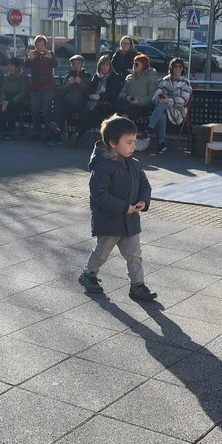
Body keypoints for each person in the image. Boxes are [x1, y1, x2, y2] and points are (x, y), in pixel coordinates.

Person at [77, 114, 157, 303]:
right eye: (129, 142)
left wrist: (143, 201)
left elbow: (144, 185)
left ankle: (137, 285)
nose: (133, 146)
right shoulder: (102, 167)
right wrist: (123, 207)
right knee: (102, 252)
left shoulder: (134, 164)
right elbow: (99, 194)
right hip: (109, 221)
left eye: (134, 141)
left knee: (134, 255)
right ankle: (88, 274)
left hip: (130, 220)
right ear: (113, 143)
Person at [146, 58, 192, 156]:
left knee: (161, 107)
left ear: (183, 69)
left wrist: (169, 101)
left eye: (180, 67)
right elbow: (155, 95)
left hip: (178, 110)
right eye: (175, 67)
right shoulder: (165, 80)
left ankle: (149, 130)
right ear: (172, 68)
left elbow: (184, 100)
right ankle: (161, 144)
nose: (177, 69)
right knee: (161, 113)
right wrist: (159, 99)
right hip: (164, 108)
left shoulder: (186, 82)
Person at [23, 36, 58, 142]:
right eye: (37, 45)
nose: (39, 47)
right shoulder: (33, 54)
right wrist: (30, 58)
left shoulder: (49, 53)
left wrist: (50, 58)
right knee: (35, 110)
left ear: (45, 45)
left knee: (47, 109)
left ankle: (48, 132)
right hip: (36, 87)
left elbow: (56, 64)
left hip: (48, 87)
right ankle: (37, 132)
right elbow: (25, 65)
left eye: (41, 45)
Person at [84, 54, 122, 135]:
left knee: (100, 110)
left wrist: (100, 96)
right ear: (99, 66)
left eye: (106, 65)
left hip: (109, 103)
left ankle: (79, 132)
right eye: (102, 65)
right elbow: (90, 88)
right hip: (94, 101)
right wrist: (90, 95)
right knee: (85, 109)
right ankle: (78, 133)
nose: (104, 67)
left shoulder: (114, 77)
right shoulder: (96, 76)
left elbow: (114, 93)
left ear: (109, 66)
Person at [117, 54, 159, 121]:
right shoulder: (129, 77)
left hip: (142, 106)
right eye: (133, 63)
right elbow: (121, 93)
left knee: (131, 110)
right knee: (119, 104)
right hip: (128, 103)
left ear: (143, 66)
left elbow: (152, 95)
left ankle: (123, 121)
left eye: (136, 64)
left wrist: (139, 101)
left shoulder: (151, 77)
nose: (134, 66)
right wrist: (127, 97)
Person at [60, 54, 92, 141]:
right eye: (74, 63)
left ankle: (75, 135)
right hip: (68, 102)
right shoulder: (68, 75)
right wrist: (69, 84)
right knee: (59, 106)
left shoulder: (87, 76)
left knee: (83, 114)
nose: (76, 65)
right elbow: (62, 91)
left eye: (78, 63)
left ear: (82, 65)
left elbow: (90, 91)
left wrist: (80, 83)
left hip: (81, 103)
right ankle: (58, 129)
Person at [0, 59, 29, 141]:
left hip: (21, 101)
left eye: (11, 67)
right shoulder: (6, 77)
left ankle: (11, 131)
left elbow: (23, 93)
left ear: (17, 67)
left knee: (11, 107)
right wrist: (3, 100)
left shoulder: (23, 77)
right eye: (8, 67)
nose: (9, 68)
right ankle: (3, 130)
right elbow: (3, 90)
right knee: (1, 107)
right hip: (7, 98)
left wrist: (11, 101)